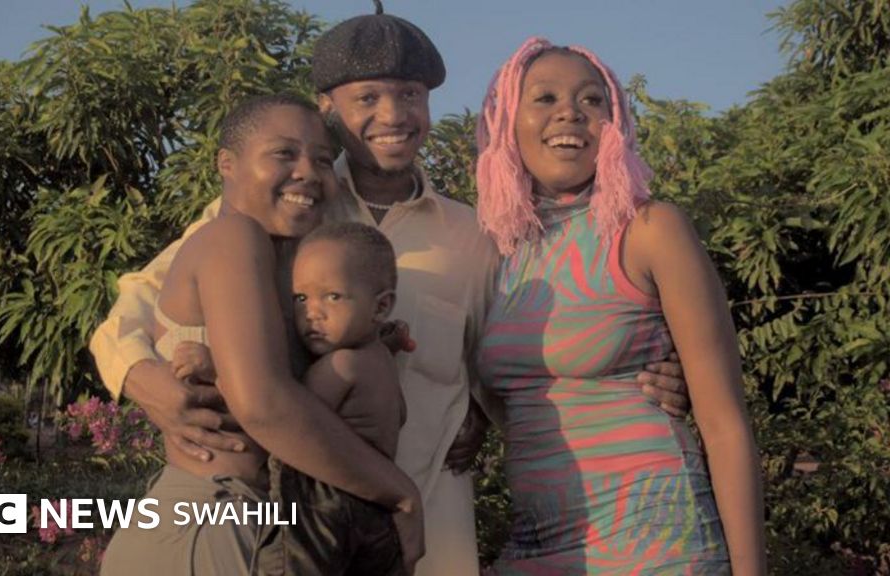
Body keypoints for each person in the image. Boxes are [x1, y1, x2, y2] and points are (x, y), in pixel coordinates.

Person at [90, 4, 693, 574]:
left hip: (433, 525)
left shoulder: (476, 235)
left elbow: (529, 350)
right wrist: (140, 377)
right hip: (302, 527)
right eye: (368, 97)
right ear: (328, 108)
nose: (394, 114)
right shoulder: (290, 207)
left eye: (410, 95)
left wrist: (655, 373)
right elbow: (138, 304)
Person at [99, 94, 425, 576]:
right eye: (284, 153)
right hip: (212, 519)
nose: (307, 172)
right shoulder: (233, 238)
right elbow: (264, 405)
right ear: (226, 164)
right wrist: (399, 493)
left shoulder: (289, 263)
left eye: (322, 160)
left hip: (248, 521)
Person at [475, 37, 766, 574]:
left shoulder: (650, 229)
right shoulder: (497, 249)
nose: (570, 112)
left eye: (592, 99)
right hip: (536, 543)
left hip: (657, 547)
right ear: (505, 120)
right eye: (544, 98)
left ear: (615, 124)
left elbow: (725, 423)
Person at [256, 221, 408, 575]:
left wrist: (214, 369)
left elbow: (281, 415)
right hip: (377, 513)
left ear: (381, 307)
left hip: (321, 505)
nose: (313, 312)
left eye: (333, 296)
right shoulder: (384, 362)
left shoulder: (341, 366)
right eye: (301, 298)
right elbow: (398, 416)